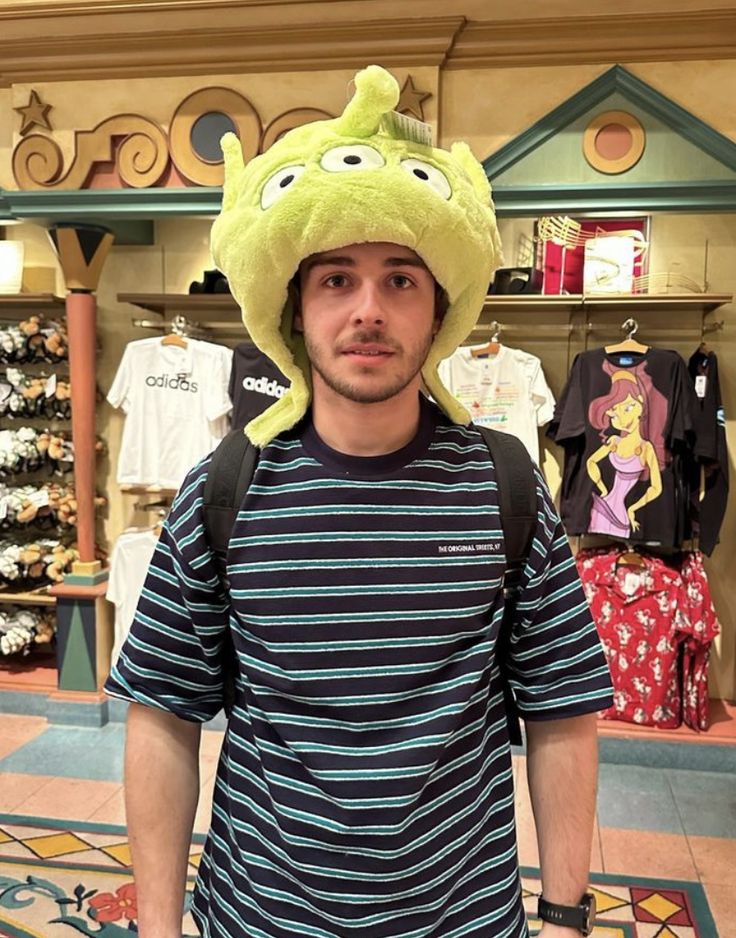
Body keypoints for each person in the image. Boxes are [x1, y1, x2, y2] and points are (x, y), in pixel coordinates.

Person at [106, 65, 613, 938]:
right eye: (335, 279)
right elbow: (162, 717)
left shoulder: (506, 485)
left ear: (440, 306)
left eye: (400, 280)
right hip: (258, 916)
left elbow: (561, 709)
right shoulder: (222, 488)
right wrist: (158, 926)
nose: (367, 310)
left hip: (462, 918)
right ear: (295, 309)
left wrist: (565, 913)